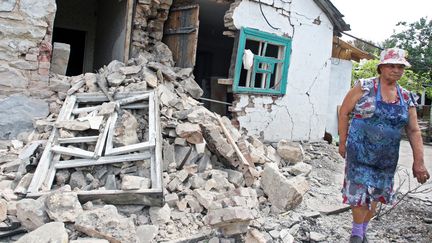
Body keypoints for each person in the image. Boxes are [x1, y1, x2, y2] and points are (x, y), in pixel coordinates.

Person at [338, 48, 430, 243]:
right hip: (359, 153)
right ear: (381, 67)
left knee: (375, 196)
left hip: (385, 159)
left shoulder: (406, 97)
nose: (396, 70)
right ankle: (356, 234)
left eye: (400, 66)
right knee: (359, 192)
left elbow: (413, 130)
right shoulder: (364, 87)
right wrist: (342, 142)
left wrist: (419, 162)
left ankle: (362, 231)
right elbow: (344, 112)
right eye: (391, 65)